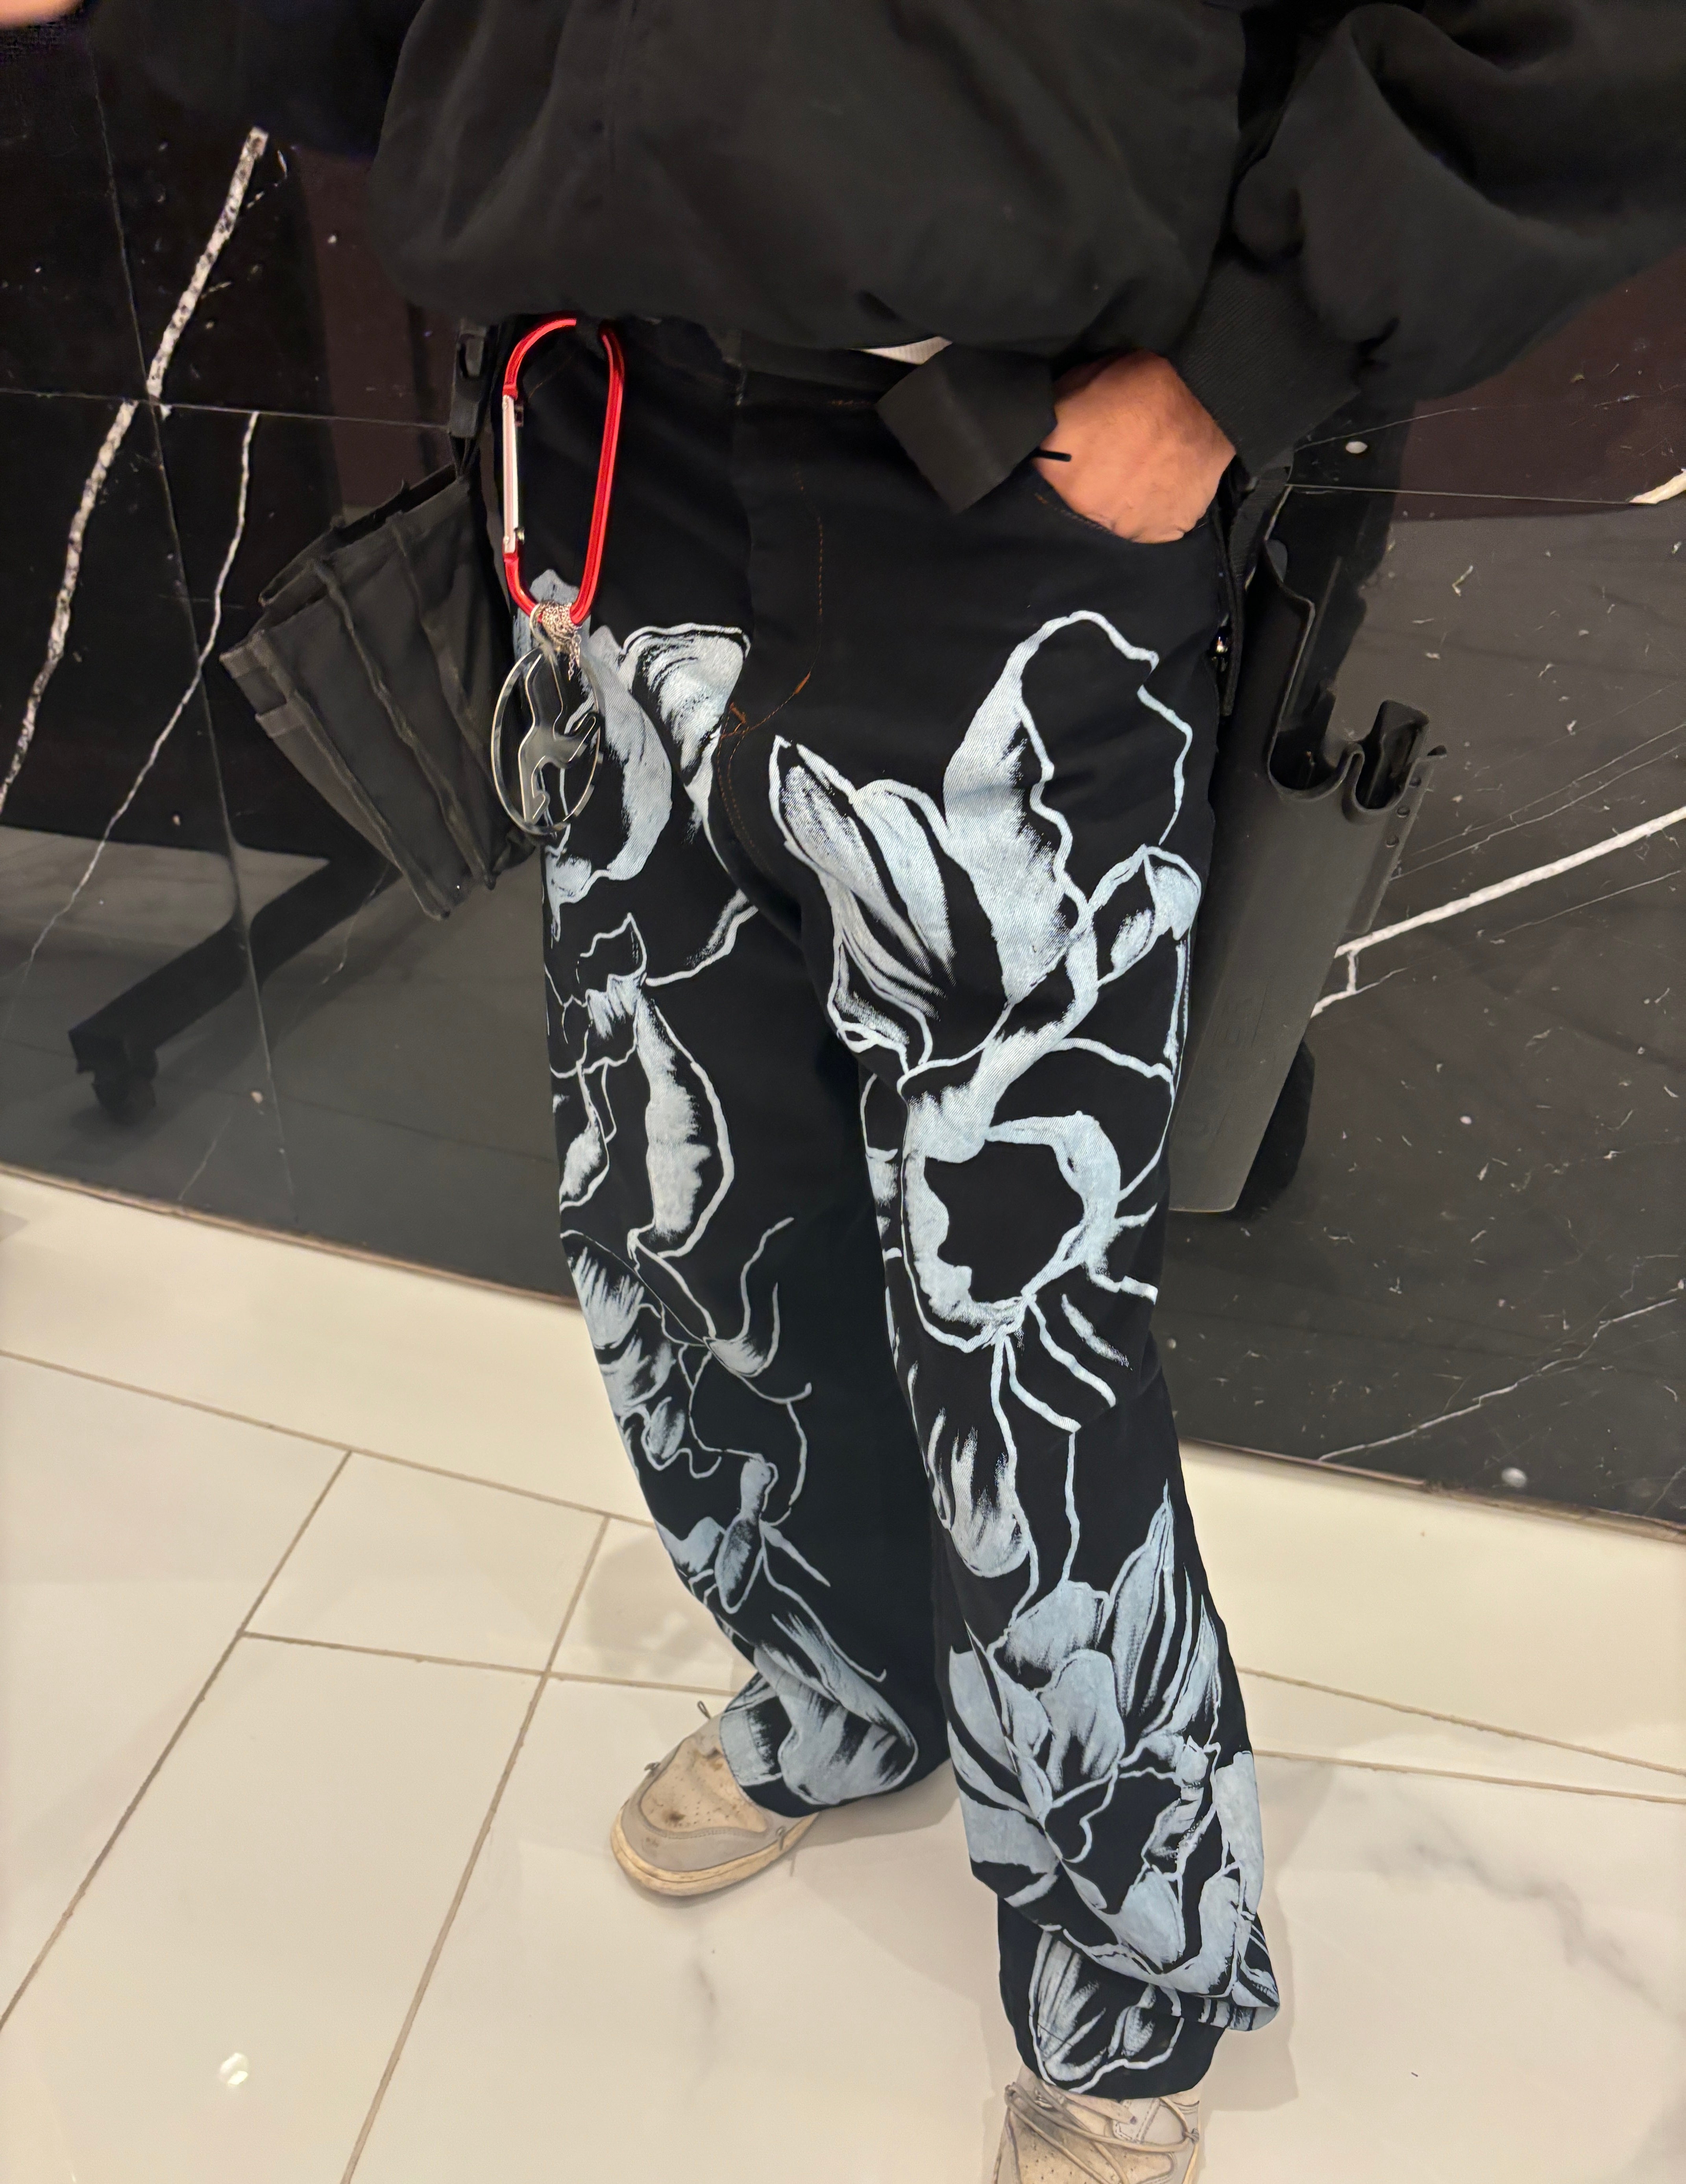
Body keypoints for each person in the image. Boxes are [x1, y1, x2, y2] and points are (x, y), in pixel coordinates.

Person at [15, 2, 1686, 2174]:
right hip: (611, 455)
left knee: (1022, 1329)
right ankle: (842, 1686)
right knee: (677, 1225)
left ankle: (1125, 1977)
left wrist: (1253, 355)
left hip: (1017, 483)